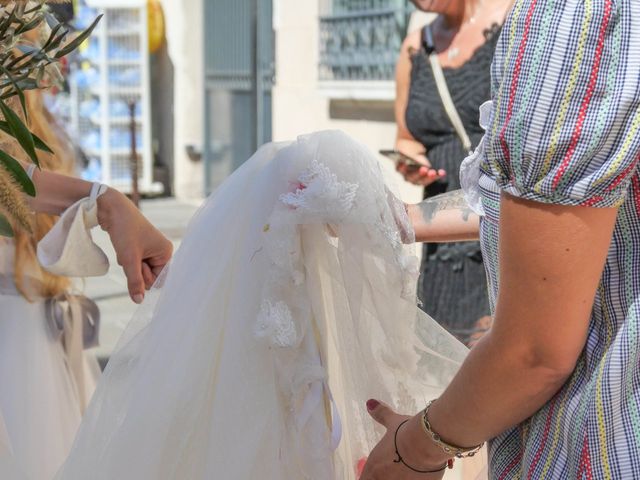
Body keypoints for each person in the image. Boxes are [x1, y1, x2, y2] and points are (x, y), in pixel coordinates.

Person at [362, 0, 640, 478]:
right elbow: (550, 205)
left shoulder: (577, 17)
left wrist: (409, 452)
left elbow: (534, 353)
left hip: (603, 430)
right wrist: (402, 218)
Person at [0, 90, 172, 480]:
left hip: (29, 335)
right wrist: (105, 202)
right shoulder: (48, 140)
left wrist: (106, 203)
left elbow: (11, 179)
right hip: (30, 337)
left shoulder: (43, 139)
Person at [395, 0, 512, 344]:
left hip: (495, 224)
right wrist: (411, 163)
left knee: (491, 362)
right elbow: (405, 138)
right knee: (441, 356)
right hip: (440, 232)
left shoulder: (515, 20)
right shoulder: (416, 46)